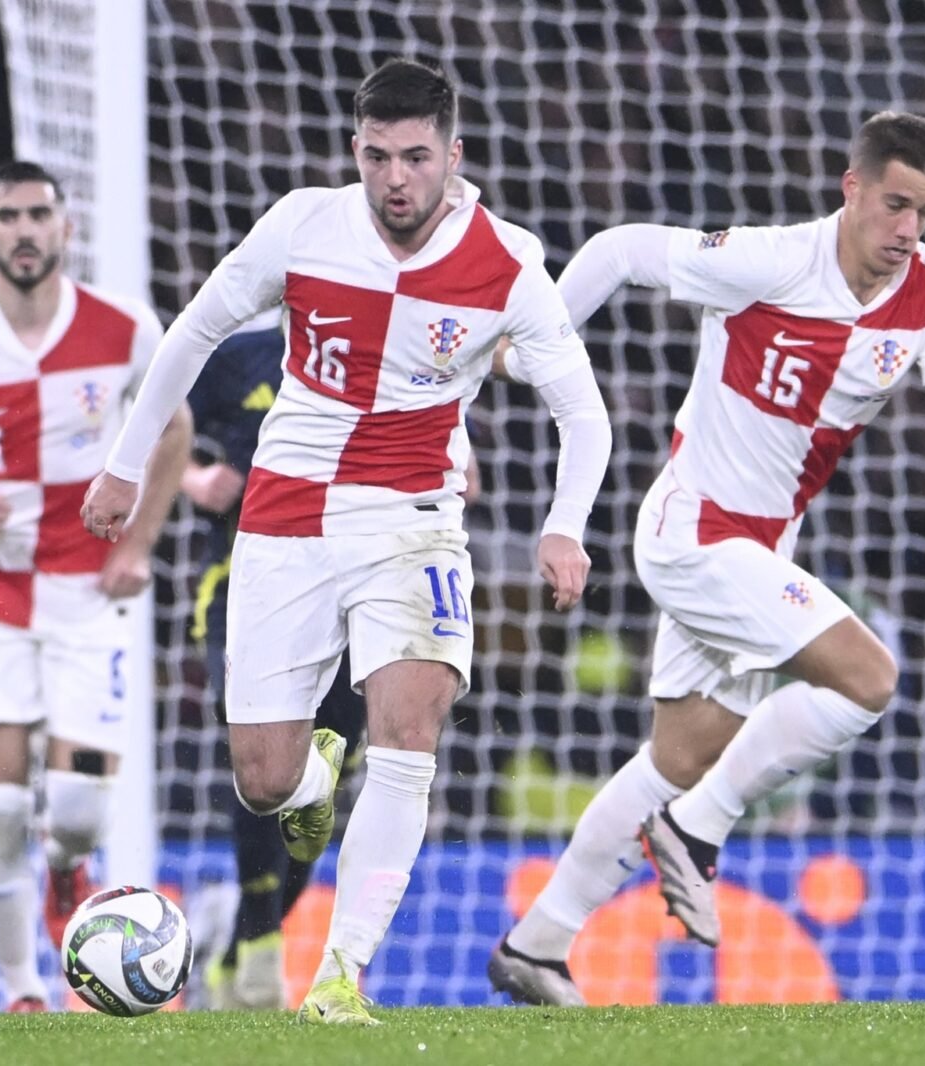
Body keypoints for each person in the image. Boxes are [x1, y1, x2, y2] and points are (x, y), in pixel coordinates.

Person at [83, 58, 612, 1025]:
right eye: (378, 156)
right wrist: (124, 465)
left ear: (454, 156)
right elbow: (195, 330)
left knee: (412, 738)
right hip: (284, 513)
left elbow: (586, 415)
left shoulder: (506, 263)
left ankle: (340, 977)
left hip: (411, 520)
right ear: (354, 152)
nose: (396, 178)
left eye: (417, 157)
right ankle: (318, 769)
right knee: (263, 782)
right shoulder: (303, 226)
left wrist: (563, 526)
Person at [489, 111, 925, 1006]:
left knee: (677, 754)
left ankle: (537, 944)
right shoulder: (768, 262)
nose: (908, 229)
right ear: (853, 188)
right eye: (894, 205)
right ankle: (701, 829)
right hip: (694, 531)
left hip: (758, 547)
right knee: (869, 680)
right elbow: (616, 248)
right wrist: (534, 349)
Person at [0, 160, 191, 1013]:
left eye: (39, 215)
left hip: (88, 589)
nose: (25, 230)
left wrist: (141, 540)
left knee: (83, 805)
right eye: (8, 216)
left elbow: (175, 430)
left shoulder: (126, 329)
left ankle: (67, 868)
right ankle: (22, 992)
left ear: (65, 230)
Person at [183, 312, 369, 1011]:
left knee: (317, 786)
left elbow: (454, 456)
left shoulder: (380, 347)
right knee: (261, 755)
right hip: (241, 583)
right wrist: (197, 483)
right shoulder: (238, 356)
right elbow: (159, 435)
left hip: (349, 589)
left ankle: (237, 949)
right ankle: (259, 942)